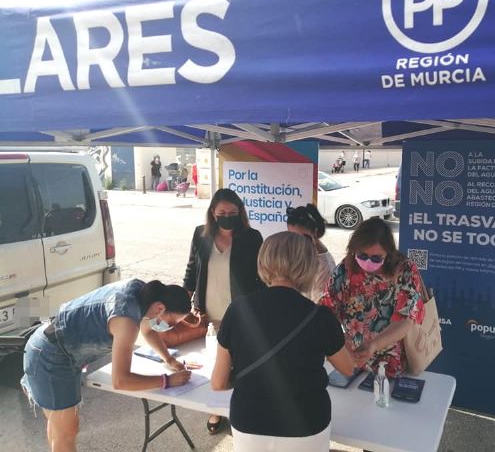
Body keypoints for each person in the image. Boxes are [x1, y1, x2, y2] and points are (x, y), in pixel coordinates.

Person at [211, 232, 355, 451]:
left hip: (250, 420)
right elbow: (347, 368)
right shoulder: (320, 316)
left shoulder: (237, 310)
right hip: (307, 423)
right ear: (308, 267)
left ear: (263, 262)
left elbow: (218, 382)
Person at [21, 279, 192, 452]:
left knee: (62, 428)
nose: (169, 327)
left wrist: (169, 360)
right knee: (66, 431)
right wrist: (166, 381)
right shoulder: (126, 320)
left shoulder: (143, 294)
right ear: (160, 309)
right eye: (171, 323)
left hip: (61, 351)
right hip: (49, 355)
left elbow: (148, 330)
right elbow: (120, 380)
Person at [183, 188, 263, 434]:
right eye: (221, 213)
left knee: (241, 364)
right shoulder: (201, 234)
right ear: (212, 213)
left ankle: (241, 408)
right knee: (216, 364)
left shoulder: (252, 237)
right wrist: (183, 304)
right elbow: (191, 269)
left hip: (240, 315)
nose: (227, 216)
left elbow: (262, 276)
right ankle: (216, 410)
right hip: (208, 314)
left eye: (232, 212)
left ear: (240, 212)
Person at [319, 217, 425, 377]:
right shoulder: (345, 268)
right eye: (362, 255)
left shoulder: (405, 270)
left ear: (388, 254)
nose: (368, 262)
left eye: (376, 258)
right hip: (351, 358)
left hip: (390, 360)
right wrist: (339, 343)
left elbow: (406, 319)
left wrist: (373, 345)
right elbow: (327, 310)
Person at [286, 204, 336, 302]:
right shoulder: (306, 254)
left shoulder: (321, 265)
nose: (297, 242)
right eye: (292, 236)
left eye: (303, 237)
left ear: (314, 232)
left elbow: (318, 303)